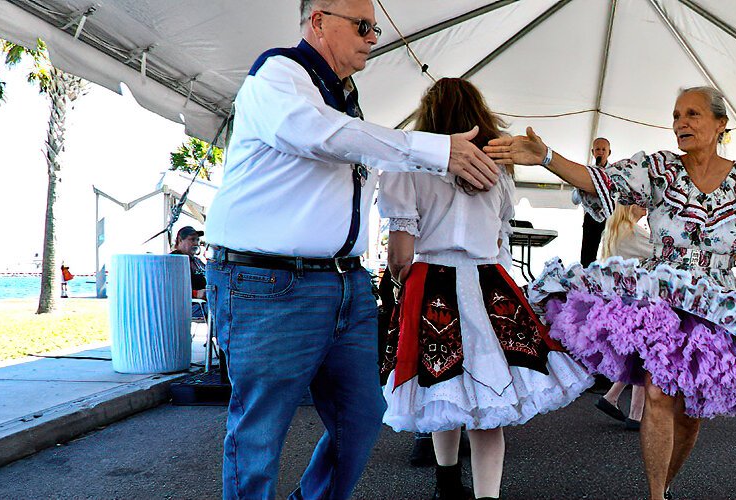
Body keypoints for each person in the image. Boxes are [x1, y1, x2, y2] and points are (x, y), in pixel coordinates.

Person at [203, 0, 500, 497]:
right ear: (318, 21)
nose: (373, 36)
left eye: (375, 27)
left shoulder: (344, 95)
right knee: (259, 435)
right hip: (268, 282)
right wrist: (435, 150)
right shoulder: (279, 73)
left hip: (344, 280)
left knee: (362, 418)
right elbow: (322, 137)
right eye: (363, 25)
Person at [486, 86, 736, 500]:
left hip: (716, 307)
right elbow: (600, 181)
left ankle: (668, 486)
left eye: (693, 114)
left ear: (720, 125)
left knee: (691, 415)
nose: (681, 122)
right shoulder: (658, 168)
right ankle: (655, 496)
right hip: (663, 300)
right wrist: (547, 157)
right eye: (676, 115)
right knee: (657, 394)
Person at [378, 78, 593, 500]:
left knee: (442, 393)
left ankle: (446, 485)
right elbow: (499, 242)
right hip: (490, 286)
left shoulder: (410, 166)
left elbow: (400, 253)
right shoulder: (498, 171)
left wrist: (402, 282)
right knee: (487, 407)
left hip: (432, 285)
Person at [593, 204, 652, 431]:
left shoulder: (615, 230)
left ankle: (613, 397)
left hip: (621, 301)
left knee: (639, 354)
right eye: (641, 199)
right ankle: (635, 413)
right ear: (631, 205)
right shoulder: (632, 232)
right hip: (636, 300)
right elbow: (661, 252)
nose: (646, 202)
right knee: (645, 354)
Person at [578, 138, 613, 266]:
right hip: (591, 218)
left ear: (609, 152)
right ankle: (587, 278)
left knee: (610, 252)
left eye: (604, 149)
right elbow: (575, 200)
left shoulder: (614, 172)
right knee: (587, 256)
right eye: (598, 149)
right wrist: (579, 188)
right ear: (593, 152)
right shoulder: (585, 172)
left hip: (610, 217)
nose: (601, 152)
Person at [172, 226, 207, 317]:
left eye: (197, 240)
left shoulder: (197, 261)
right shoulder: (173, 260)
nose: (196, 243)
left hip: (204, 303)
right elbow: (171, 290)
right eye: (192, 240)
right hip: (187, 307)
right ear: (180, 240)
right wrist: (196, 293)